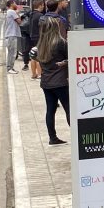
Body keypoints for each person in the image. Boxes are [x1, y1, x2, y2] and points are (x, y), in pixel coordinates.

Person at [29, 17, 70, 145]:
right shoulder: (60, 43)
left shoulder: (40, 45)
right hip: (60, 82)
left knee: (50, 110)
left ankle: (52, 137)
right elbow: (71, 57)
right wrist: (64, 63)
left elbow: (34, 57)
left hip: (46, 82)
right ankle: (76, 136)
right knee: (69, 109)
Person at [4, 0, 22, 74]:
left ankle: (11, 67)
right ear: (11, 4)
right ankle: (9, 68)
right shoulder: (12, 12)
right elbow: (19, 21)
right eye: (15, 3)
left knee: (12, 52)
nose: (16, 4)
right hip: (12, 34)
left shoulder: (10, 12)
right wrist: (18, 13)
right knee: (12, 52)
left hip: (11, 34)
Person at [27, 0, 44, 79]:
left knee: (33, 56)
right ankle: (40, 74)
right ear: (40, 5)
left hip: (32, 37)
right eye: (43, 5)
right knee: (39, 56)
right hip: (39, 38)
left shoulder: (31, 14)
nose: (43, 7)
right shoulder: (40, 16)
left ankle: (34, 74)